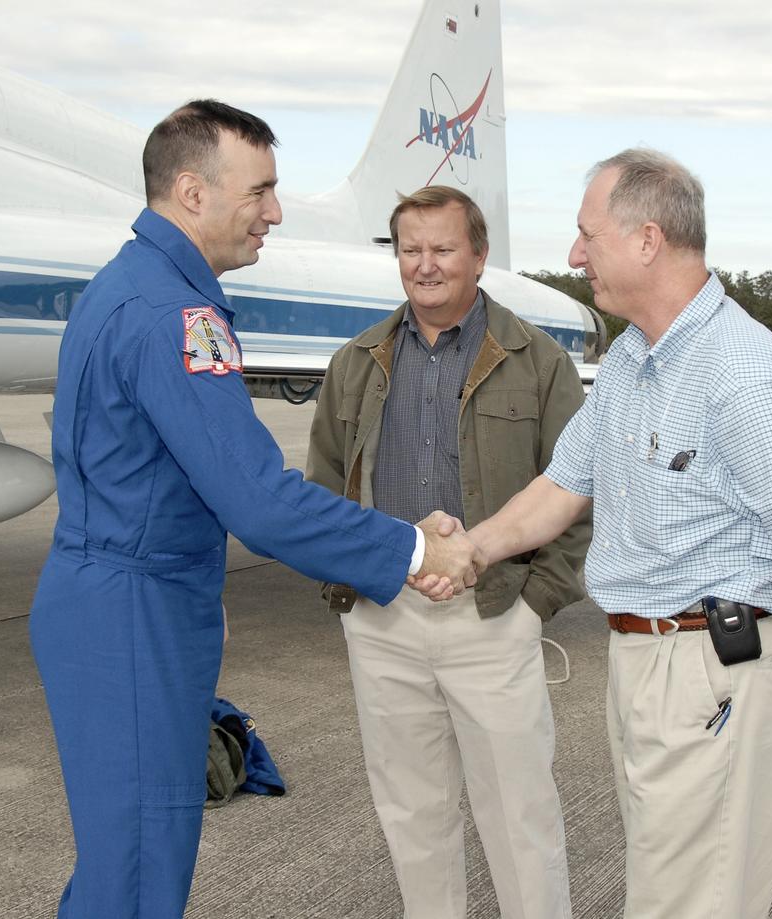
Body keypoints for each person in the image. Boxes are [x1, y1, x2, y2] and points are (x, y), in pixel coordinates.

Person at [28, 100, 478, 919]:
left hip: (119, 600)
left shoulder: (129, 283)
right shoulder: (175, 314)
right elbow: (259, 501)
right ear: (194, 193)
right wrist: (412, 550)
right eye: (261, 191)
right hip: (133, 613)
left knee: (121, 861)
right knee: (135, 876)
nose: (274, 212)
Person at [430, 149, 772, 919]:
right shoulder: (633, 359)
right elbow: (562, 486)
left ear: (648, 239)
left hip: (713, 669)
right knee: (669, 886)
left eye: (587, 235)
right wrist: (472, 550)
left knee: (693, 901)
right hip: (644, 662)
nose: (573, 255)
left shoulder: (743, 372)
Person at [305, 185, 590, 919]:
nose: (424, 265)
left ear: (480, 255)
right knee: (412, 814)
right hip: (383, 622)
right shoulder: (356, 361)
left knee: (520, 816)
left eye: (442, 248)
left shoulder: (540, 361)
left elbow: (584, 491)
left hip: (493, 618)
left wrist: (534, 604)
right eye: (410, 249)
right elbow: (325, 489)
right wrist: (352, 590)